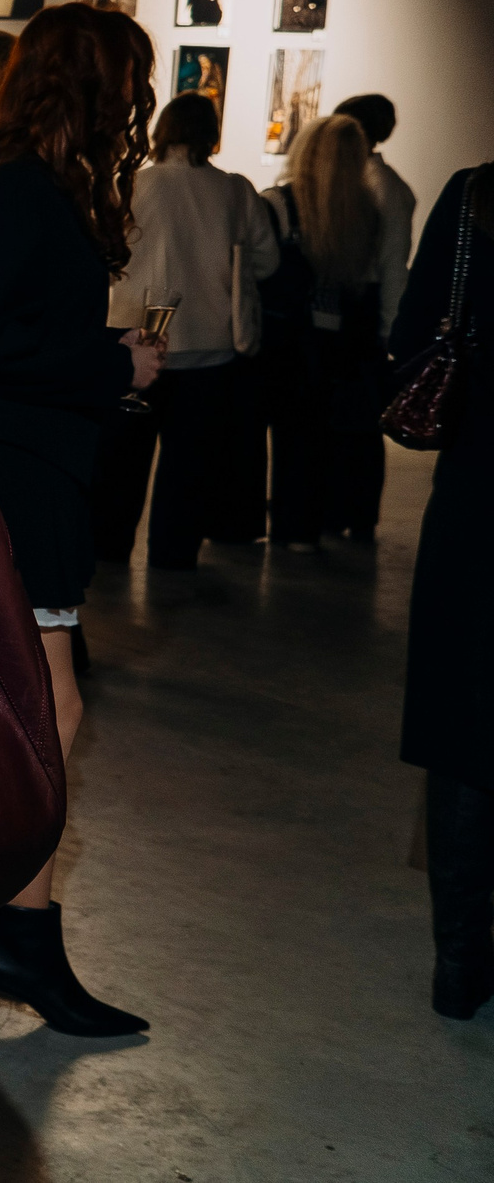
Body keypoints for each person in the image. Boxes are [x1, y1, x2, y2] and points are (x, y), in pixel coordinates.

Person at [0, 1, 160, 1037]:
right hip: (13, 479)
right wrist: (115, 362)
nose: (136, 102)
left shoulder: (24, 185)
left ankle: (3, 921)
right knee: (46, 716)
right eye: (128, 81)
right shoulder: (17, 189)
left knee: (29, 712)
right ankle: (15, 933)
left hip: (31, 473)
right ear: (95, 83)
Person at [90, 92, 279, 570]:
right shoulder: (236, 190)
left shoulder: (133, 182)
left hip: (135, 339)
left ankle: (110, 550)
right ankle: (173, 556)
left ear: (162, 129)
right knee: (189, 466)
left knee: (124, 460)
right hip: (210, 347)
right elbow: (267, 258)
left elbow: (105, 255)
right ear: (211, 134)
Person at [392, 164, 493, 1017]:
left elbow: (415, 330)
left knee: (466, 719)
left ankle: (459, 961)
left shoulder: (476, 196)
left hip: (479, 497)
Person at [261, 113, 397, 550]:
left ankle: (285, 524)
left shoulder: (279, 203)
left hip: (289, 340)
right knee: (324, 437)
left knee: (288, 438)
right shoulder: (366, 214)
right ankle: (312, 525)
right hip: (344, 344)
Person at [338, 93, 416, 532]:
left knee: (360, 422)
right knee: (357, 420)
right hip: (365, 312)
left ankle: (356, 515)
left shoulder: (379, 187)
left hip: (364, 315)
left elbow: (391, 265)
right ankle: (353, 514)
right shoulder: (380, 183)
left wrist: (388, 329)